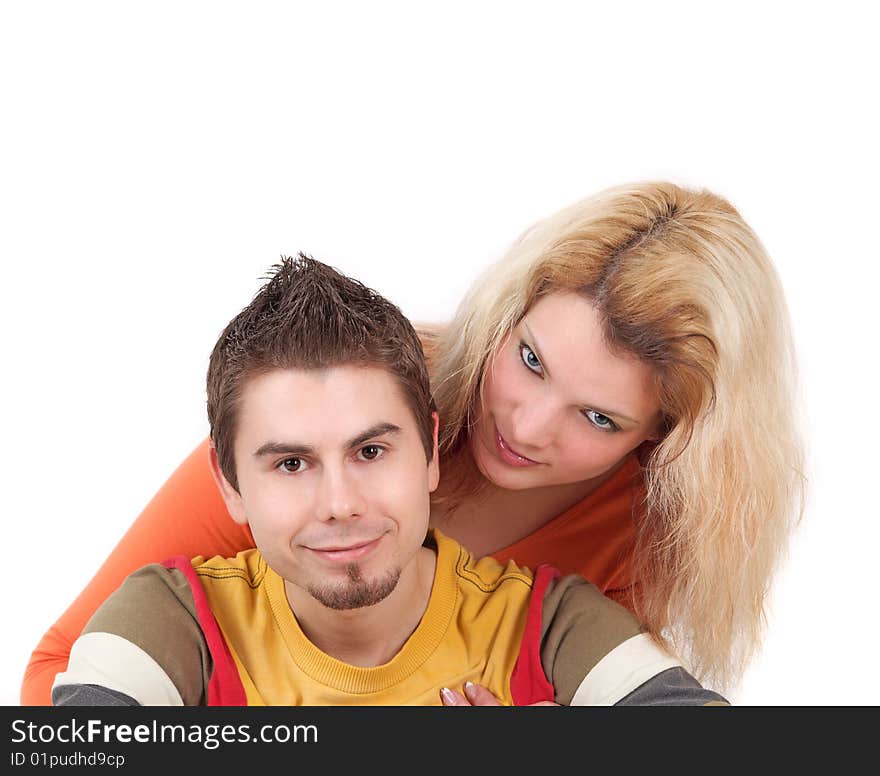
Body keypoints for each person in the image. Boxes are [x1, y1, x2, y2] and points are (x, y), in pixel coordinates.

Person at [25, 181, 804, 705]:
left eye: (597, 418)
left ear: (661, 441)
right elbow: (59, 670)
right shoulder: (338, 404)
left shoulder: (641, 538)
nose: (526, 427)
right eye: (530, 360)